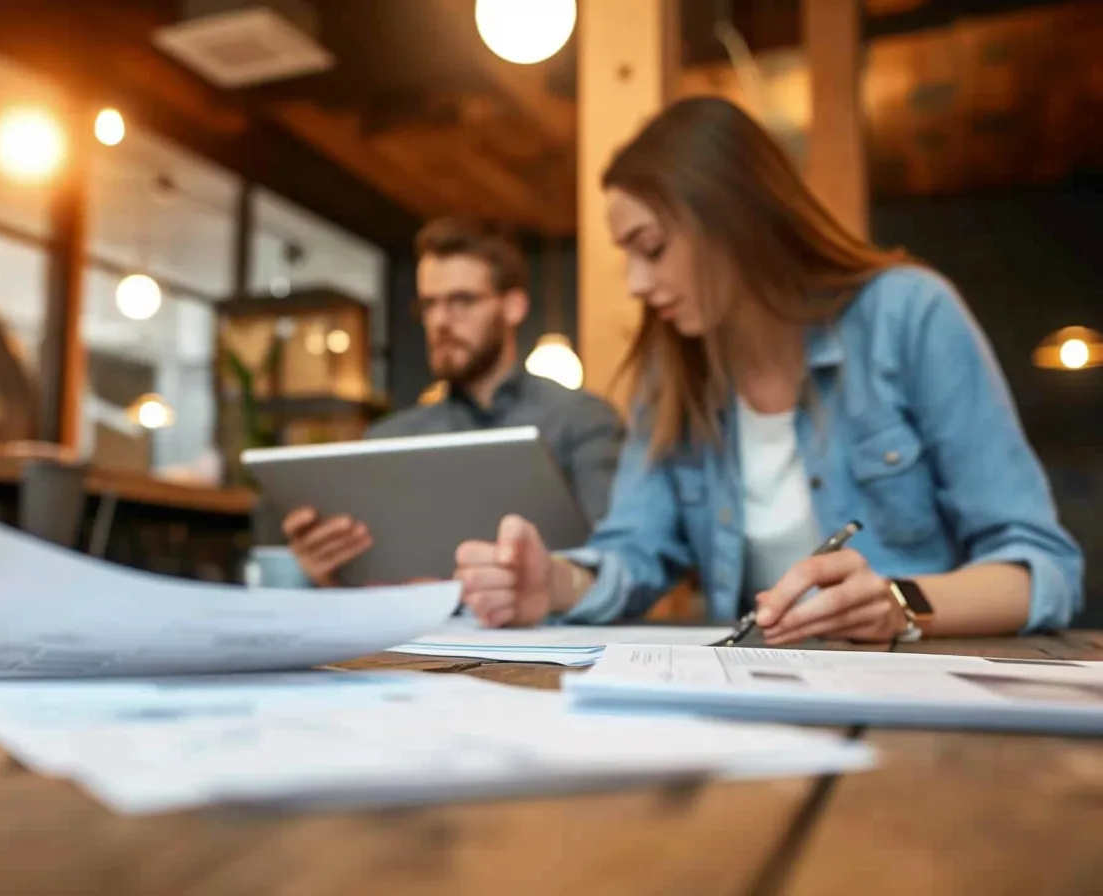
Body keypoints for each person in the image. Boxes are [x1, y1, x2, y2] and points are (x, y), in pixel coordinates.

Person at [454, 96, 1082, 643]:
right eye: (628, 257)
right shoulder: (673, 368)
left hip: (910, 697)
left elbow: (1041, 566)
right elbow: (634, 550)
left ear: (737, 216)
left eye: (652, 248)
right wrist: (554, 583)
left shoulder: (909, 313)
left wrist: (898, 602)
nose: (637, 284)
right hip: (756, 691)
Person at [279, 217, 624, 587]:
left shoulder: (583, 420)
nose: (440, 321)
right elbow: (370, 584)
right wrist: (331, 572)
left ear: (513, 306)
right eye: (429, 305)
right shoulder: (388, 440)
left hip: (547, 637)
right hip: (408, 638)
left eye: (462, 300)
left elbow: (615, 568)